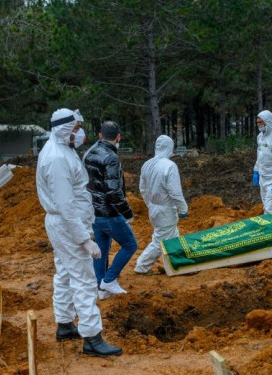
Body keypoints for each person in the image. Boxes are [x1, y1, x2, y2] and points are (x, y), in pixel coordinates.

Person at [36, 108, 122, 357]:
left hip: (64, 224)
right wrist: (84, 240)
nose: (79, 133)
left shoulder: (62, 150)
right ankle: (92, 337)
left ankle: (64, 325)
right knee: (84, 279)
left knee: (64, 273)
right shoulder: (57, 158)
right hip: (67, 225)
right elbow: (65, 205)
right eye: (76, 128)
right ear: (64, 129)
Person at [83, 121, 137, 299]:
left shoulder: (90, 153)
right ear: (118, 137)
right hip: (109, 213)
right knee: (130, 244)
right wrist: (127, 212)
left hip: (94, 212)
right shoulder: (112, 158)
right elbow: (113, 191)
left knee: (102, 251)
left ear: (100, 136)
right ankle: (109, 280)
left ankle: (101, 288)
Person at [134, 135, 189, 274]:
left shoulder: (147, 164)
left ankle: (177, 264)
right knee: (160, 240)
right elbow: (175, 192)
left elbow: (143, 188)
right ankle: (141, 266)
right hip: (165, 209)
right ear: (169, 147)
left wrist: (150, 204)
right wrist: (183, 208)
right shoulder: (169, 166)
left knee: (173, 236)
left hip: (153, 207)